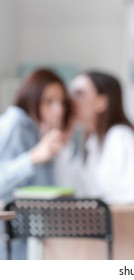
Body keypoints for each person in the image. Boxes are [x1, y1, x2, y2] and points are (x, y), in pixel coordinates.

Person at [0, 68, 73, 259]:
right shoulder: (14, 124)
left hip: (28, 237)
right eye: (48, 101)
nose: (58, 110)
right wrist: (33, 157)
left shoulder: (37, 131)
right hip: (8, 239)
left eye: (61, 102)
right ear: (30, 98)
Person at [56, 70, 134, 204]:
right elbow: (74, 190)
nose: (70, 102)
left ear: (102, 102)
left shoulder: (121, 137)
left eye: (79, 94)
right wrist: (64, 139)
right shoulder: (91, 142)